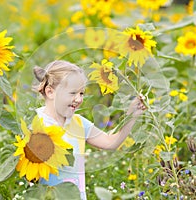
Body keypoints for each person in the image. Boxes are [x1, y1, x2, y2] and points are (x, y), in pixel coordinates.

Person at [33, 60, 146, 200]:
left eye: (81, 93)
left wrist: (132, 115)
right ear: (50, 92)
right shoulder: (36, 123)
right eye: (72, 93)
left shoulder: (79, 123)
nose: (79, 99)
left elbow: (111, 142)